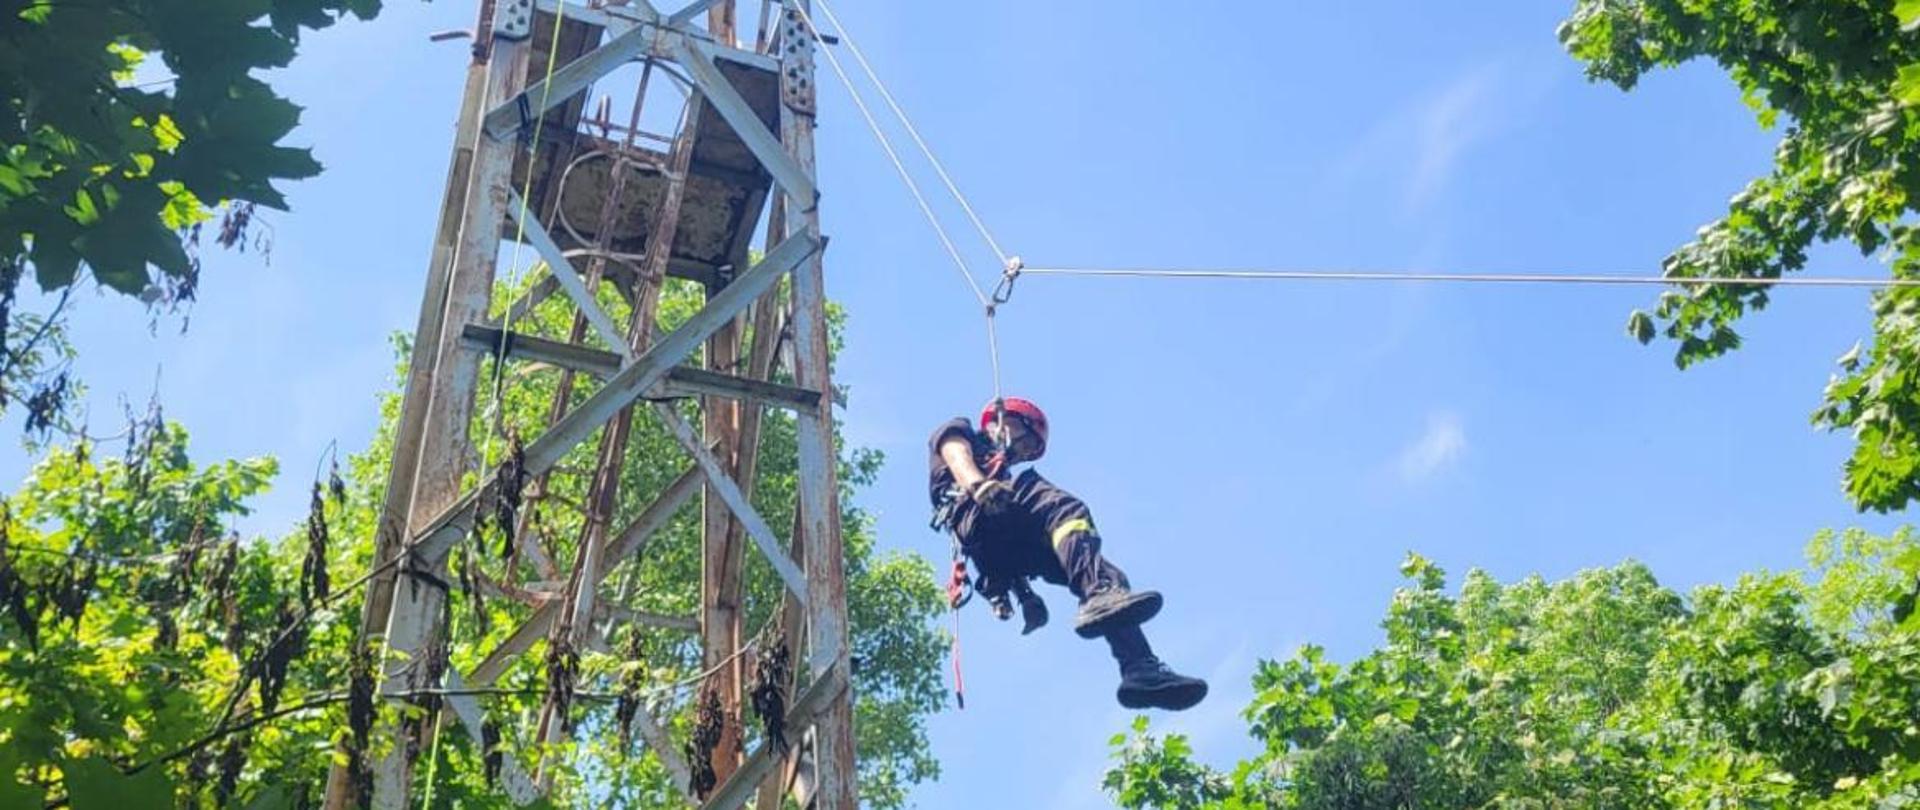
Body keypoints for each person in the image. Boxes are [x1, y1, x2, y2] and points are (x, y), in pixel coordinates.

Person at [929, 397, 1208, 711]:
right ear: (1008, 419)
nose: (1021, 453)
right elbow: (955, 453)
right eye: (1025, 443)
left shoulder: (1003, 478)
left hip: (1002, 541)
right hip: (976, 513)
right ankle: (1099, 594)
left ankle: (1139, 667)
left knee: (1103, 572)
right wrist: (978, 485)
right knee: (1064, 508)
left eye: (1028, 451)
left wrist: (1024, 595)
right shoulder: (964, 433)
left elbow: (996, 552)